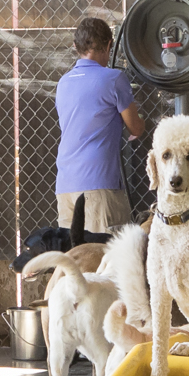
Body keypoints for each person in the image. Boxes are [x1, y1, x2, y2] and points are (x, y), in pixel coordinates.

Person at [54, 15, 142, 231]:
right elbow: (136, 128)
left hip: (65, 184)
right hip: (100, 185)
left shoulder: (63, 83)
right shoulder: (114, 79)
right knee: (106, 255)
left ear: (76, 47)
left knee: (73, 256)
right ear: (109, 45)